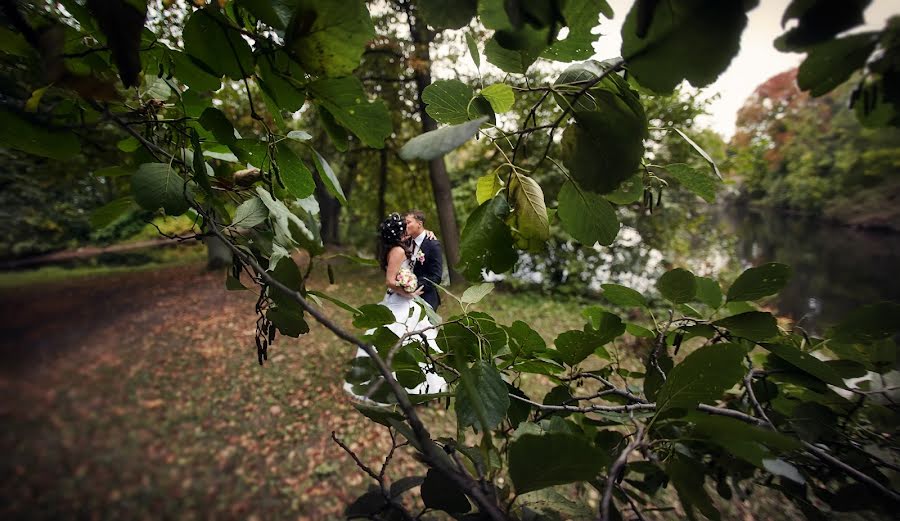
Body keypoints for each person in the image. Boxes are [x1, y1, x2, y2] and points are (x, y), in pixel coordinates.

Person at [342, 213, 447, 403]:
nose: (406, 229)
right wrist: (408, 291)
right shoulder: (398, 251)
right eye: (403, 226)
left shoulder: (420, 243)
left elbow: (434, 274)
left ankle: (413, 386)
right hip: (402, 299)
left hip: (414, 299)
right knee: (400, 338)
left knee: (410, 339)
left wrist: (413, 284)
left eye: (408, 224)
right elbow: (390, 280)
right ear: (397, 233)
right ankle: (399, 386)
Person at [405, 210, 444, 312]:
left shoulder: (432, 245)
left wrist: (413, 285)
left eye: (409, 222)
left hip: (425, 297)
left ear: (419, 224)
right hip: (405, 297)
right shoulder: (405, 242)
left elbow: (436, 276)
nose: (406, 226)